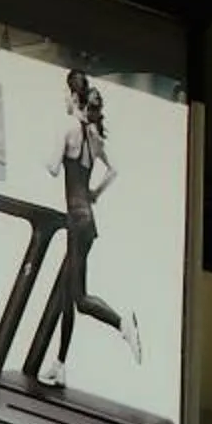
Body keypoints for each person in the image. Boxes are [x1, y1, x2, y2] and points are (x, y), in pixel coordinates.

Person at [44, 69, 142, 383]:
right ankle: (59, 366)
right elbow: (113, 170)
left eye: (64, 93)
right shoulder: (93, 136)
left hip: (77, 222)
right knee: (67, 296)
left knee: (80, 299)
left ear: (74, 97)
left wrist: (53, 146)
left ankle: (122, 323)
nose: (62, 98)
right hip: (86, 222)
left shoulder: (70, 129)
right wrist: (95, 193)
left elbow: (51, 168)